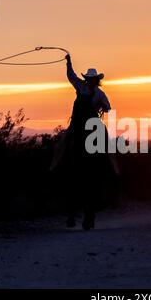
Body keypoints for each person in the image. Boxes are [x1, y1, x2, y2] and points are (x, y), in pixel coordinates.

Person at [50, 53, 112, 230]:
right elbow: (71, 76)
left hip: (92, 123)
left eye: (93, 78)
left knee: (104, 140)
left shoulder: (99, 93)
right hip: (78, 122)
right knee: (64, 139)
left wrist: (102, 107)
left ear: (96, 80)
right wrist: (68, 63)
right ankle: (56, 162)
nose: (91, 80)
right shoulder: (80, 86)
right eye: (89, 78)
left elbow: (108, 106)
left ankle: (108, 162)